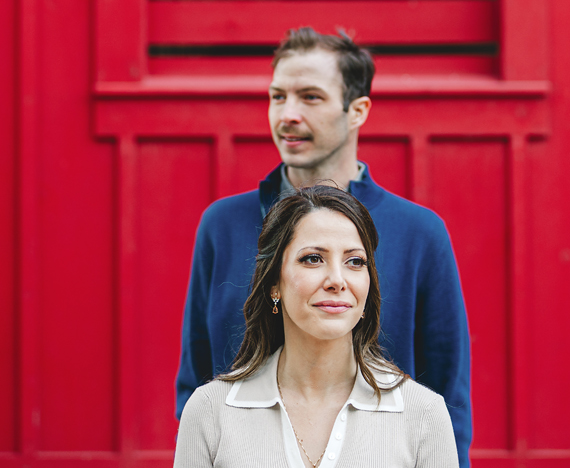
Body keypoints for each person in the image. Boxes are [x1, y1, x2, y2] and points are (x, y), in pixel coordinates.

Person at [177, 28, 472, 465]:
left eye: (310, 97)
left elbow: (448, 395)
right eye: (278, 97)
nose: (287, 115)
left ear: (357, 110)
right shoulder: (221, 224)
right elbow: (196, 377)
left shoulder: (420, 231)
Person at [174, 185, 460, 468]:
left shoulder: (423, 414)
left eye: (355, 261)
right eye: (313, 259)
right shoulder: (210, 411)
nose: (337, 279)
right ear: (275, 283)